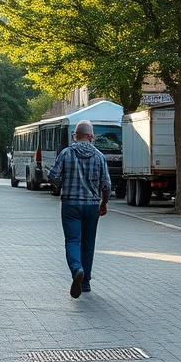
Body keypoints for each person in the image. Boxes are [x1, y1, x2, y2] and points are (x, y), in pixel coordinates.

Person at [46, 119, 111, 298]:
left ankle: (76, 270)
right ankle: (86, 283)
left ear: (76, 136)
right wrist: (104, 203)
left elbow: (54, 175)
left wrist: (60, 184)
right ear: (91, 136)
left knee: (73, 240)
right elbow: (106, 184)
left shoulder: (66, 153)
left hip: (71, 204)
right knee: (88, 244)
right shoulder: (99, 156)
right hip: (91, 205)